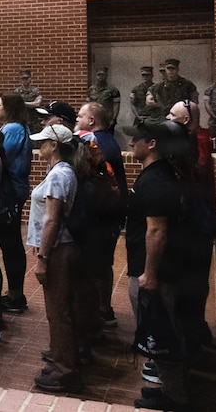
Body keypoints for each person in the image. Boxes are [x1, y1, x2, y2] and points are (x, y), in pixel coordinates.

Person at [123, 120, 189, 411]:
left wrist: (149, 273)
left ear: (151, 144)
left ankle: (177, 397)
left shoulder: (157, 181)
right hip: (154, 268)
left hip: (156, 272)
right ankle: (169, 387)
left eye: (135, 138)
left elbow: (157, 231)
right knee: (159, 332)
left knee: (162, 334)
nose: (130, 143)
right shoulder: (157, 175)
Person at [28, 123, 81, 393]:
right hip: (59, 248)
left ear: (55, 145)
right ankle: (64, 360)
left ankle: (65, 371)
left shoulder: (60, 175)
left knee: (58, 312)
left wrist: (43, 257)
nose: (40, 146)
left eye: (44, 142)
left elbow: (52, 219)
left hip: (59, 249)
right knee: (60, 310)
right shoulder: (58, 171)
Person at [166, 99, 216, 355]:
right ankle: (196, 331)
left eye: (172, 114)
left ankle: (191, 341)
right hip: (198, 225)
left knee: (192, 286)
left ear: (185, 120)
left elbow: (194, 175)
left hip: (196, 229)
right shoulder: (195, 141)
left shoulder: (196, 143)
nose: (167, 117)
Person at [75, 102, 128, 330]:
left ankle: (98, 312)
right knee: (102, 264)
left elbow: (95, 182)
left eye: (80, 116)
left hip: (101, 216)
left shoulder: (97, 143)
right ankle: (103, 309)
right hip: (108, 214)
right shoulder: (105, 140)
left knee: (95, 265)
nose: (77, 120)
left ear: (92, 121)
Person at [0, 93, 31, 314]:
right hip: (15, 189)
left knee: (10, 244)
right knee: (11, 243)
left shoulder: (13, 129)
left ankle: (15, 295)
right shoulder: (18, 128)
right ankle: (14, 293)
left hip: (10, 191)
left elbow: (0, 156)